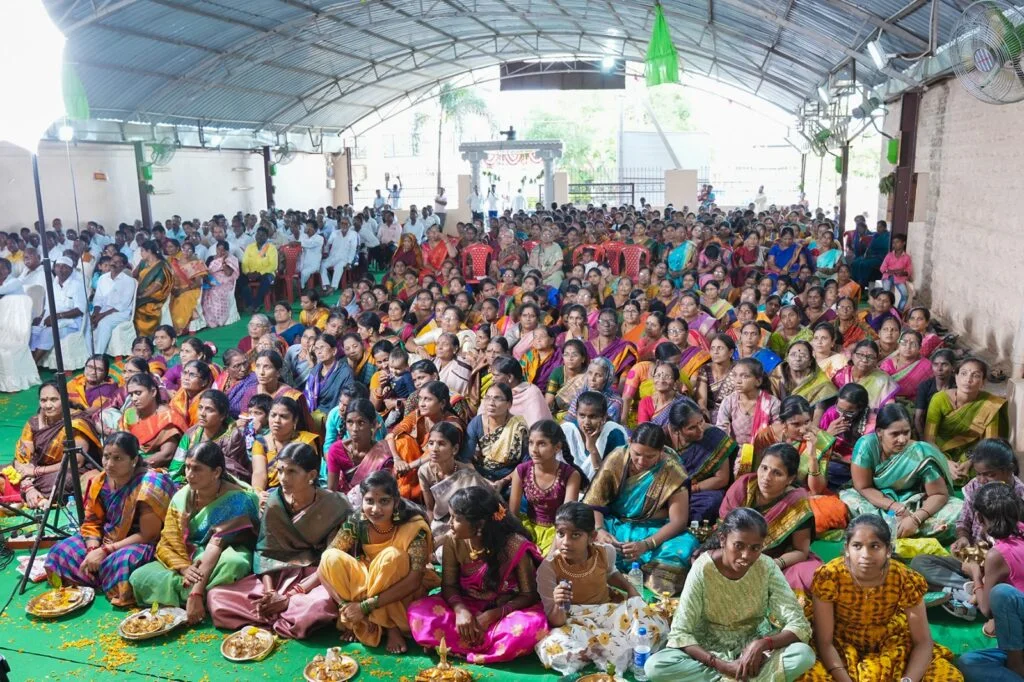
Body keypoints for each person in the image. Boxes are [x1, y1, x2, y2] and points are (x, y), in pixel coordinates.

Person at [643, 508, 815, 682]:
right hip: (708, 650)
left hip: (753, 648)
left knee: (803, 655)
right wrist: (721, 665)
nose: (746, 555)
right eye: (739, 546)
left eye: (755, 548)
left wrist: (763, 643)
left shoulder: (767, 567)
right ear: (723, 539)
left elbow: (798, 623)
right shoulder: (703, 568)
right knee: (656, 666)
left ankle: (733, 676)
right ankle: (743, 677)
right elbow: (681, 632)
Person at [207, 442, 350, 638]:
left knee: (318, 606)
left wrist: (290, 596)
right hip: (278, 574)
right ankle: (277, 613)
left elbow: (331, 561)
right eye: (281, 470)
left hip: (315, 577)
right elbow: (265, 552)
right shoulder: (275, 501)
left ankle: (280, 612)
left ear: (311, 475)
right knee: (216, 598)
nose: (283, 478)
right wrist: (269, 593)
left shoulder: (335, 505)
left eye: (292, 471)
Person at [802, 514, 961, 681]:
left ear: (888, 550)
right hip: (840, 645)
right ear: (847, 549)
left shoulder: (903, 577)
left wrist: (908, 680)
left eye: (875, 546)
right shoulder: (829, 576)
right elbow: (824, 642)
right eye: (857, 546)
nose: (865, 554)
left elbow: (923, 642)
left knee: (946, 677)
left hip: (890, 641)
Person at [407, 485, 548, 663]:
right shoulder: (452, 540)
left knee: (530, 626)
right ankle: (480, 645)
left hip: (504, 610)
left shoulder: (515, 545)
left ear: (479, 524)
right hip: (466, 603)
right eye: (450, 516)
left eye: (456, 518)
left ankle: (454, 645)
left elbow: (529, 594)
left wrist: (493, 615)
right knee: (418, 611)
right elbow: (449, 585)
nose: (449, 523)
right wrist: (461, 611)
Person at [129, 442, 260, 624]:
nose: (189, 474)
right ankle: (203, 597)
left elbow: (219, 543)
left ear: (216, 472)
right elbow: (168, 540)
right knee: (139, 577)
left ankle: (189, 596)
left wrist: (195, 583)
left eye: (197, 469)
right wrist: (184, 568)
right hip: (189, 554)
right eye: (187, 467)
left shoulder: (240, 500)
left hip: (223, 552)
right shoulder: (182, 497)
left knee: (234, 563)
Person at [535, 502, 669, 675]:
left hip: (608, 612)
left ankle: (603, 651)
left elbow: (611, 573)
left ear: (592, 537)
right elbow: (557, 621)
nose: (566, 542)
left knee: (650, 619)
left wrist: (631, 589)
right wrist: (560, 603)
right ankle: (613, 650)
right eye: (561, 534)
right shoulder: (548, 568)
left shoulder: (605, 552)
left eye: (575, 535)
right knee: (551, 646)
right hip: (575, 620)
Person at [44, 432, 176, 607]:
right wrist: (92, 549)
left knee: (123, 562)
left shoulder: (149, 485)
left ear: (134, 460)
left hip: (141, 542)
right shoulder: (100, 481)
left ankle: (101, 578)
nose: (109, 464)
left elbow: (149, 535)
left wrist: (105, 551)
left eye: (117, 458)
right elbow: (92, 521)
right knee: (60, 552)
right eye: (106, 457)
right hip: (108, 538)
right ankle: (98, 574)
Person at [583, 424, 698, 593]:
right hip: (615, 525)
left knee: (685, 546)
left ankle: (634, 580)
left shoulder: (673, 471)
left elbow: (678, 521)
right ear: (629, 442)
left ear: (661, 451)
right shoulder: (617, 458)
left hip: (653, 530)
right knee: (581, 532)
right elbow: (594, 503)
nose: (641, 462)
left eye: (650, 456)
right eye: (636, 454)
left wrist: (647, 545)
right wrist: (599, 530)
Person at [911, 439, 1024, 594]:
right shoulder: (975, 486)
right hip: (975, 556)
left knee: (1004, 587)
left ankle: (970, 589)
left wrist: (983, 565)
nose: (982, 480)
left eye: (990, 475)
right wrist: (963, 538)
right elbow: (964, 520)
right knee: (920, 562)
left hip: (1003, 562)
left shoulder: (1019, 496)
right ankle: (970, 588)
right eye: (978, 474)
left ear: (1009, 470)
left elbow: (1015, 549)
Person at [840, 404, 962, 541]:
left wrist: (916, 519)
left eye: (906, 432)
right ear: (879, 432)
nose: (902, 439)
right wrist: (895, 507)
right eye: (895, 434)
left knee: (959, 510)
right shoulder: (866, 446)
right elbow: (863, 487)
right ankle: (907, 530)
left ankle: (886, 529)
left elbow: (939, 494)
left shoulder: (920, 453)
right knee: (848, 500)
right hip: (878, 502)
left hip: (915, 503)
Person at [721, 443, 822, 598]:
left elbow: (801, 551)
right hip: (735, 552)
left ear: (790, 479)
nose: (766, 477)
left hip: (775, 559)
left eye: (777, 473)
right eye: (764, 468)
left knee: (811, 578)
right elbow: (724, 530)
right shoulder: (743, 487)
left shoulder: (797, 504)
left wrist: (775, 564)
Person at [954, 482, 1024, 681]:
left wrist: (975, 573)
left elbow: (986, 609)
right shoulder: (1018, 532)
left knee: (1002, 593)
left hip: (1018, 628)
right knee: (967, 662)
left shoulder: (997, 555)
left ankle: (1016, 666)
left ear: (979, 518)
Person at [925, 356, 1006, 478]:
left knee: (989, 467)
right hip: (940, 449)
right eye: (963, 373)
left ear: (983, 382)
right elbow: (929, 439)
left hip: (972, 452)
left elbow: (989, 442)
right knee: (930, 467)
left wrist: (970, 462)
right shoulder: (939, 399)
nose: (968, 379)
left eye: (976, 375)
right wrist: (945, 461)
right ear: (956, 377)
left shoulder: (990, 404)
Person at [508, 421, 581, 555]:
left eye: (541, 444)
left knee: (552, 560)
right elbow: (513, 515)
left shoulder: (570, 475)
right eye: (531, 443)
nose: (534, 450)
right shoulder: (521, 470)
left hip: (558, 531)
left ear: (557, 447)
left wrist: (550, 555)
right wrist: (523, 541)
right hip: (527, 528)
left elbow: (566, 520)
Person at [388, 380, 466, 502]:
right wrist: (397, 459)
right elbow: (391, 436)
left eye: (428, 399)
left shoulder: (451, 424)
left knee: (432, 454)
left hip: (439, 464)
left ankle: (408, 494)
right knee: (403, 441)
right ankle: (401, 491)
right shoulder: (417, 415)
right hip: (411, 466)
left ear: (442, 403)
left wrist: (409, 466)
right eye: (420, 399)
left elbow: (435, 453)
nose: (422, 404)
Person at [665, 398, 736, 523]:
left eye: (701, 422)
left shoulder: (715, 437)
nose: (700, 430)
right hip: (668, 490)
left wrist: (692, 489)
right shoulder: (664, 438)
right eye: (692, 428)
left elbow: (722, 479)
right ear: (676, 430)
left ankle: (681, 522)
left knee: (713, 501)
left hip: (699, 492)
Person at [169, 389, 248, 484]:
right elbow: (176, 467)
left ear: (222, 416)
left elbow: (233, 474)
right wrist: (182, 484)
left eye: (209, 409)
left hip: (220, 486)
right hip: (187, 483)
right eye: (200, 408)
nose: (202, 414)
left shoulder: (233, 437)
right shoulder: (191, 433)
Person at [463, 382, 528, 495]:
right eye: (488, 398)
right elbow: (465, 457)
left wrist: (503, 481)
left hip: (510, 477)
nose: (491, 403)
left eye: (497, 399)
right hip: (483, 474)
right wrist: (483, 480)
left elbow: (527, 463)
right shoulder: (477, 423)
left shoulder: (518, 427)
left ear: (509, 404)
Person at [325, 399, 393, 499]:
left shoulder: (382, 455)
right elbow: (332, 491)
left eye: (361, 422)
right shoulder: (336, 450)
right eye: (350, 422)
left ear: (373, 424)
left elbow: (384, 495)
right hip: (342, 503)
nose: (354, 429)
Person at [251, 396, 319, 494]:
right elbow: (259, 473)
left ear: (295, 420)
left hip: (300, 491)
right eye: (273, 415)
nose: (276, 420)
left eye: (283, 416)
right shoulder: (260, 443)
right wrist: (258, 493)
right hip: (270, 493)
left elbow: (306, 476)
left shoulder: (305, 441)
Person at [561, 390, 629, 483]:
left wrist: (593, 449)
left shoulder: (613, 433)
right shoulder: (568, 431)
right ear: (576, 414)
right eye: (582, 416)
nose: (586, 422)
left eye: (592, 417)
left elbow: (612, 478)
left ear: (604, 417)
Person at [716, 358, 780, 447]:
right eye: (735, 375)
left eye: (745, 376)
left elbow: (778, 433)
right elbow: (721, 432)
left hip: (765, 451)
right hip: (735, 451)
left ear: (758, 381)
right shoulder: (729, 401)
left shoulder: (772, 404)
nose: (738, 381)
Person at [91, 253, 136, 355]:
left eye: (117, 262)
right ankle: (89, 354)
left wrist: (101, 316)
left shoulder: (129, 281)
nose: (113, 263)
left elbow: (122, 305)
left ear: (124, 265)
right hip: (103, 310)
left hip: (121, 313)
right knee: (88, 321)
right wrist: (95, 313)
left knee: (104, 323)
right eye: (112, 261)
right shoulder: (103, 278)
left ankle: (98, 355)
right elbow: (98, 298)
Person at [832, 340, 898, 409]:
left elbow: (889, 408)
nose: (864, 360)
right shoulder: (840, 375)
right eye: (860, 355)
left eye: (870, 357)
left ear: (876, 359)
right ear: (852, 356)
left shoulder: (883, 380)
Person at [489, 355, 553, 424]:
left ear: (510, 377)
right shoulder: (495, 391)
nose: (492, 379)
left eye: (496, 375)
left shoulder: (531, 393)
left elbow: (537, 425)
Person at [132, 239, 173, 337]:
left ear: (149, 251)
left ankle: (147, 335)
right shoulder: (143, 263)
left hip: (155, 295)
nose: (141, 253)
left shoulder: (161, 265)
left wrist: (142, 296)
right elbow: (134, 275)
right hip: (141, 292)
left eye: (142, 251)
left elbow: (157, 286)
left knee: (139, 308)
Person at [166, 239, 207, 334]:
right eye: (184, 249)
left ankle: (182, 328)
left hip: (191, 289)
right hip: (177, 289)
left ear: (193, 252)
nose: (186, 252)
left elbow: (198, 283)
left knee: (184, 300)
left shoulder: (197, 263)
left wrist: (183, 290)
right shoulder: (175, 263)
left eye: (189, 250)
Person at [914, 349, 956, 437]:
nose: (939, 369)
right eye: (935, 364)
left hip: (953, 431)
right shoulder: (925, 386)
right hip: (928, 429)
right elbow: (918, 418)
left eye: (944, 364)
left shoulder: (958, 386)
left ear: (953, 367)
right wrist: (923, 438)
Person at [881, 330, 932, 401]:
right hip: (886, 402)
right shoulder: (887, 364)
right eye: (904, 342)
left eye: (913, 344)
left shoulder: (927, 366)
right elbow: (880, 388)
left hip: (915, 403)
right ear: (899, 345)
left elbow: (929, 390)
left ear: (920, 347)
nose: (908, 347)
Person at [202, 240, 239, 328]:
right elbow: (205, 271)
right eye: (218, 249)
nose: (220, 252)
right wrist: (208, 280)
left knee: (216, 292)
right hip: (210, 281)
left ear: (227, 251)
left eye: (223, 250)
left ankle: (220, 319)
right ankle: (210, 321)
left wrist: (223, 261)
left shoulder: (230, 259)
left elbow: (228, 273)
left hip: (224, 283)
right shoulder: (211, 258)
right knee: (205, 293)